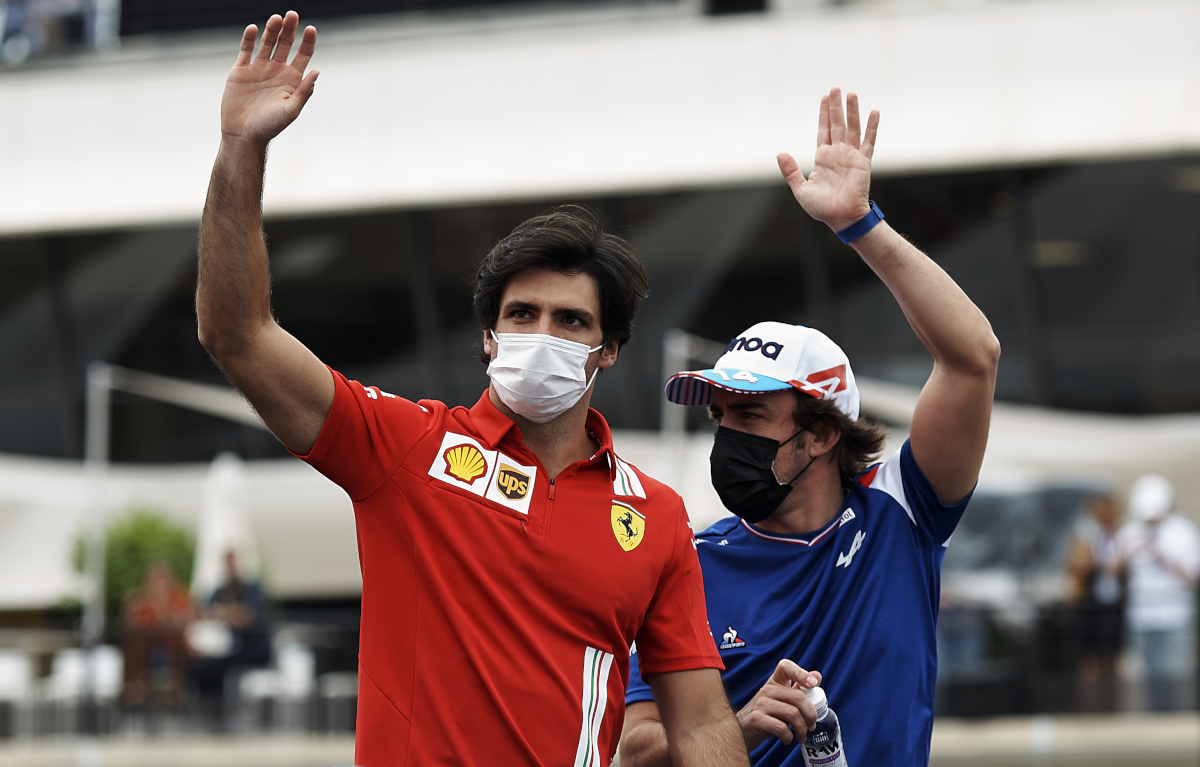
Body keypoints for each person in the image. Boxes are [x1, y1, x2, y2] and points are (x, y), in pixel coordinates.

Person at [194, 12, 747, 766]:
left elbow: (704, 724)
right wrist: (239, 150)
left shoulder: (657, 515)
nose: (541, 333)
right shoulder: (406, 447)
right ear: (489, 335)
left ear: (609, 349)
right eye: (521, 314)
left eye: (570, 320)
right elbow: (237, 332)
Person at [621, 89, 1001, 767]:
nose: (727, 434)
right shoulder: (688, 564)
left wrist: (859, 224)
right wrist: (738, 724)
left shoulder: (901, 513)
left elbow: (973, 357)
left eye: (751, 414)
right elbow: (635, 747)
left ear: (823, 432)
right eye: (721, 415)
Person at [1117, 474, 1200, 711]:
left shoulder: (1184, 531)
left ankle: (1178, 724)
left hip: (1175, 615)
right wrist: (1130, 551)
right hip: (1141, 616)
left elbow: (1192, 577)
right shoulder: (1131, 530)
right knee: (1148, 677)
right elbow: (1112, 571)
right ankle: (1155, 724)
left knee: (1175, 673)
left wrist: (1161, 555)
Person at [189, 550, 271, 728]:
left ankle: (222, 718)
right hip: (232, 649)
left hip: (256, 649)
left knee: (220, 667)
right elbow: (202, 612)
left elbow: (248, 618)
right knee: (201, 668)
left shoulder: (253, 589)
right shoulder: (220, 591)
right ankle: (209, 716)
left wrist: (222, 614)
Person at [1065, 494, 1125, 713]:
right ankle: (1090, 710)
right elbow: (1078, 567)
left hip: (1113, 605)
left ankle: (1112, 709)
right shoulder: (1086, 536)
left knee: (1112, 659)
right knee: (1089, 660)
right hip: (1090, 603)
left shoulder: (1121, 536)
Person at [121, 562, 193, 709]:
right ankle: (135, 687)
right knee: (136, 642)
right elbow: (130, 624)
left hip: (173, 648)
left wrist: (164, 615)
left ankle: (176, 687)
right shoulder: (141, 601)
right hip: (149, 649)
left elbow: (183, 621)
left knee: (179, 647)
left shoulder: (178, 598)